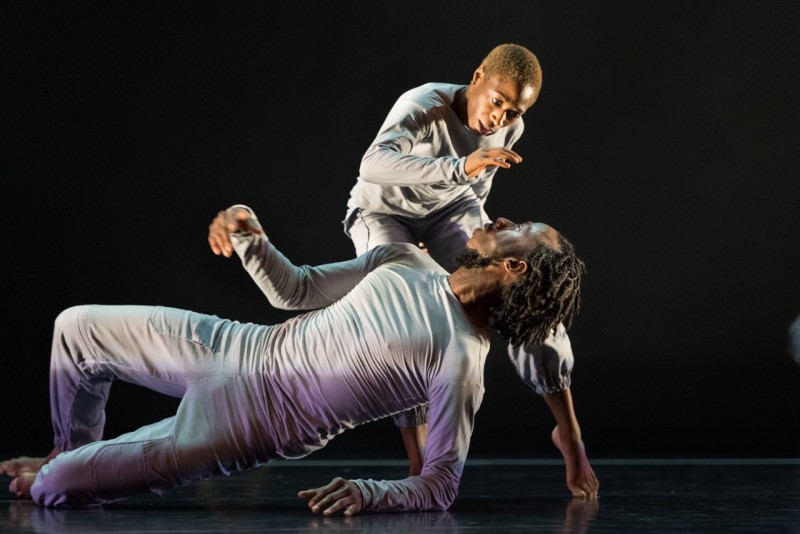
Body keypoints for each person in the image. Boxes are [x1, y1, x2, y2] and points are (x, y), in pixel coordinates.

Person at [1, 205, 598, 514]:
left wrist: (369, 491)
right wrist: (249, 236)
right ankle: (67, 447)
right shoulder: (408, 262)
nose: (500, 220)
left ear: (515, 266)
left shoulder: (462, 364)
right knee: (74, 329)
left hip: (246, 426)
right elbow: (295, 291)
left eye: (518, 228)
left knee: (51, 491)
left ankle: (64, 467)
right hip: (236, 347)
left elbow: (440, 486)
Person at [342, 44, 582, 475]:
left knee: (525, 290)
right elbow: (373, 165)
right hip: (382, 210)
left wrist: (473, 242)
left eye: (513, 112)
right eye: (496, 102)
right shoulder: (424, 103)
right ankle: (420, 464)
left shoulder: (511, 129)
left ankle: (569, 431)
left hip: (449, 210)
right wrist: (459, 167)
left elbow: (478, 188)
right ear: (477, 78)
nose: (499, 119)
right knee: (409, 322)